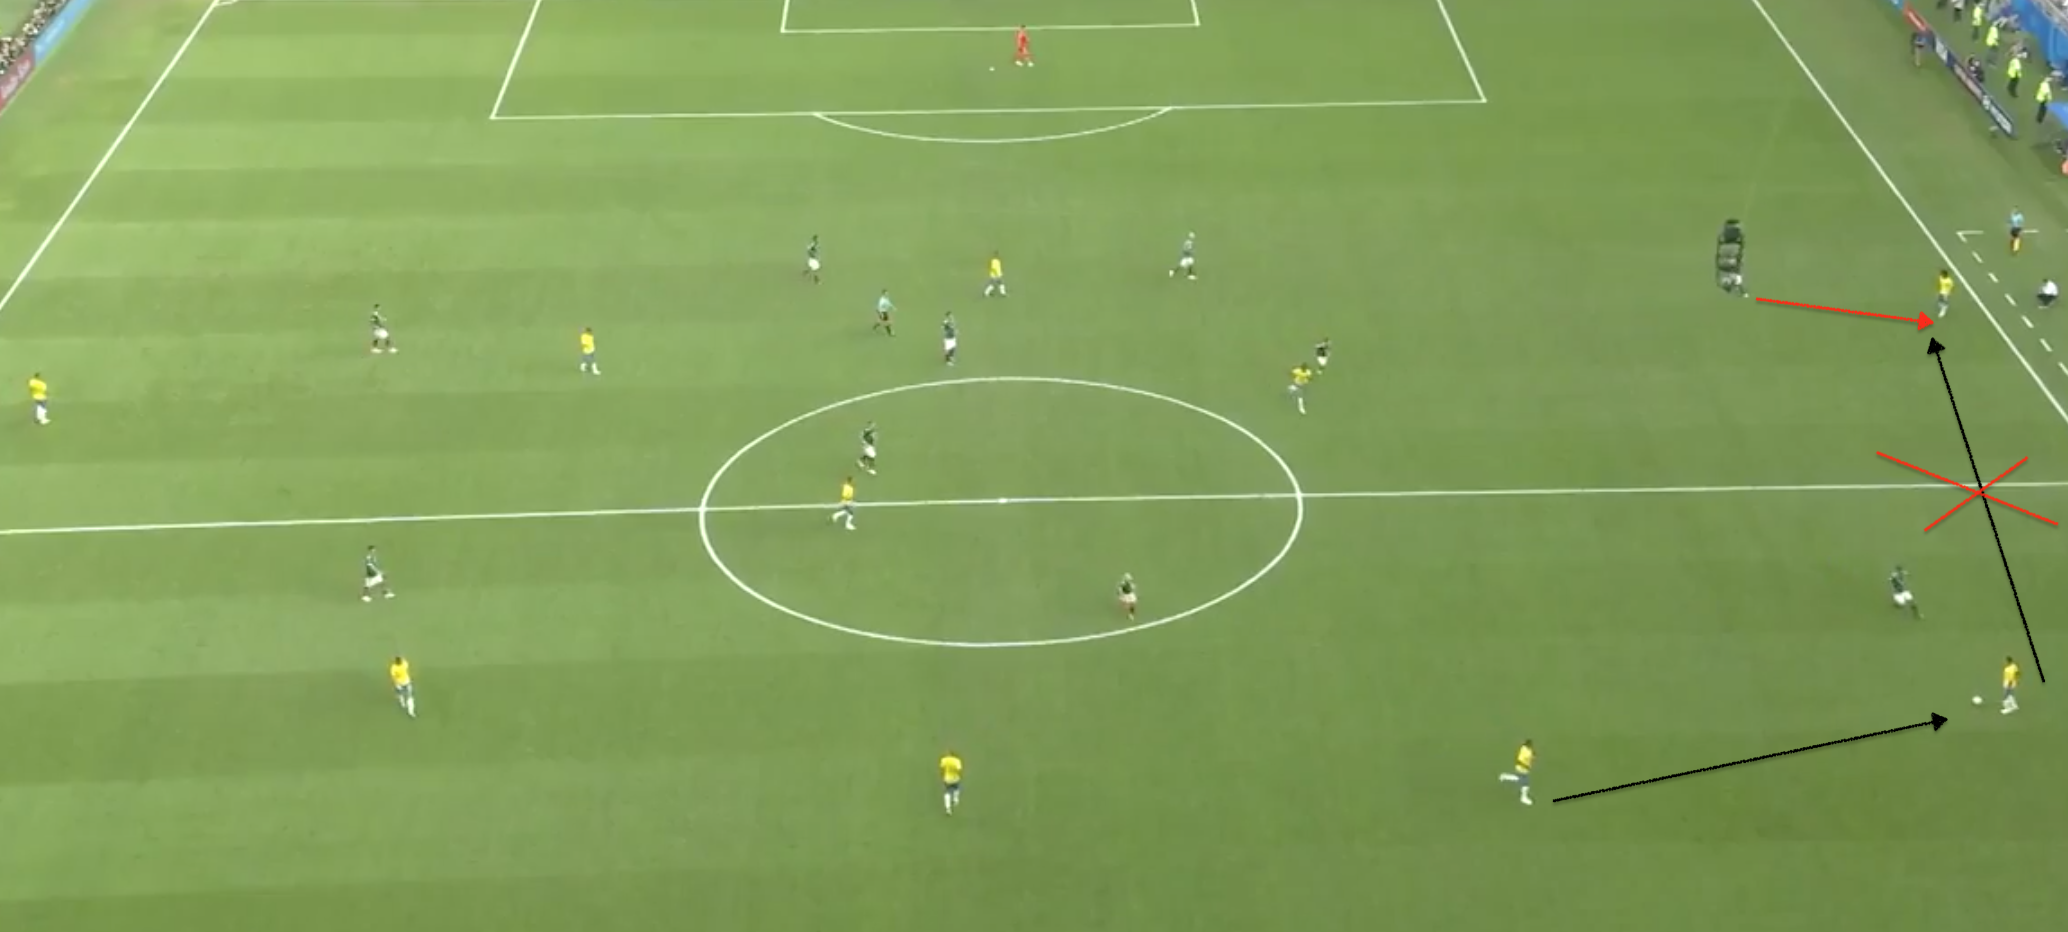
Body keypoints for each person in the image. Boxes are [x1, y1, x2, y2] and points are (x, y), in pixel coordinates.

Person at [1496, 740, 1534, 806]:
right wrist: (1526, 766)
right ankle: (1523, 798)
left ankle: (1504, 776)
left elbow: (1531, 755)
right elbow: (1519, 761)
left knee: (1519, 779)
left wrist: (1532, 757)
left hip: (1524, 769)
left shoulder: (1526, 749)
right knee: (1525, 783)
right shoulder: (1524, 751)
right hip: (1521, 768)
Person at [940, 750, 964, 814]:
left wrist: (942, 776)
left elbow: (942, 768)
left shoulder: (944, 760)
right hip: (955, 778)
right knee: (956, 788)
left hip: (947, 779)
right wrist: (959, 776)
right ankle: (955, 799)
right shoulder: (957, 760)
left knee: (947, 792)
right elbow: (959, 769)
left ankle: (948, 808)